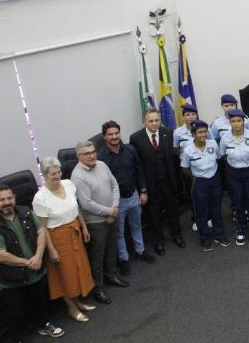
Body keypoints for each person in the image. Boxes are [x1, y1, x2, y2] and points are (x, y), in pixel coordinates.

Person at [0, 185, 66, 340]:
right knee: (15, 312)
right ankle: (17, 339)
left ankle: (44, 324)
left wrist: (38, 256)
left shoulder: (26, 212)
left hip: (35, 272)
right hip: (11, 280)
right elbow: (0, 256)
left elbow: (41, 232)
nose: (6, 202)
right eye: (2, 200)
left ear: (14, 198)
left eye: (9, 198)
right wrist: (29, 262)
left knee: (40, 302)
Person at [32, 157, 95, 320]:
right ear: (45, 175)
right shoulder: (40, 198)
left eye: (59, 172)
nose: (58, 176)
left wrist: (84, 227)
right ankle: (71, 308)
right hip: (57, 239)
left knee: (78, 269)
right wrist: (51, 250)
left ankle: (77, 301)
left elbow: (76, 208)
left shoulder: (68, 184)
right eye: (53, 174)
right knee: (64, 275)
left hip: (75, 232)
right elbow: (43, 228)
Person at [70, 141, 129, 304]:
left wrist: (114, 207)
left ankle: (111, 276)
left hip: (112, 214)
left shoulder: (102, 165)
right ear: (79, 156)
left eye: (93, 151)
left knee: (112, 248)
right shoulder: (78, 176)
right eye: (87, 153)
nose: (92, 155)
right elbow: (87, 204)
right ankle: (98, 288)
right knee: (97, 256)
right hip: (95, 222)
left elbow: (114, 185)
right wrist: (110, 211)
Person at [98, 121, 156, 277]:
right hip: (117, 202)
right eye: (110, 134)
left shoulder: (130, 149)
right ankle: (124, 259)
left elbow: (138, 170)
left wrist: (143, 191)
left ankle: (140, 251)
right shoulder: (101, 157)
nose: (114, 136)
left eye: (116, 133)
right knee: (119, 232)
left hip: (133, 195)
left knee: (136, 226)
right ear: (104, 137)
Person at [129, 108, 185, 254]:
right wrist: (142, 188)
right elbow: (137, 165)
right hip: (150, 183)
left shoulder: (168, 133)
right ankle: (158, 241)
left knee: (173, 210)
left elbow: (173, 158)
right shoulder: (136, 138)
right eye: (151, 121)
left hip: (168, 180)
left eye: (156, 120)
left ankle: (176, 235)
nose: (154, 124)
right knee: (154, 214)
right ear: (144, 121)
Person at [181, 119, 228, 251]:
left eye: (204, 132)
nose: (203, 135)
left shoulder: (213, 144)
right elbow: (184, 168)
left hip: (214, 180)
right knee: (201, 212)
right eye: (199, 132)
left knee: (216, 210)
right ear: (193, 134)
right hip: (199, 182)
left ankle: (219, 236)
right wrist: (195, 175)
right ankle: (205, 239)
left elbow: (218, 159)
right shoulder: (188, 150)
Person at [219, 109, 249, 246]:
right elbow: (223, 155)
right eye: (233, 121)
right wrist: (236, 164)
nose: (236, 123)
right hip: (233, 173)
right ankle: (241, 230)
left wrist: (245, 163)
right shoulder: (225, 138)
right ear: (230, 123)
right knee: (238, 202)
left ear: (243, 122)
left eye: (239, 121)